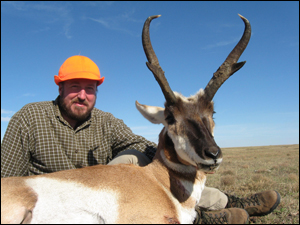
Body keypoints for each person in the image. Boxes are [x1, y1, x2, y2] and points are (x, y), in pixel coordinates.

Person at [1, 55, 280, 224]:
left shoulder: (105, 121)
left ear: (97, 91)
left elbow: (144, 146)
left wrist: (183, 153)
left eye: (89, 88)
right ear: (60, 86)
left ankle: (228, 201)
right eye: (74, 87)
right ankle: (203, 217)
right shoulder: (30, 116)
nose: (82, 95)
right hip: (55, 196)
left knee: (138, 158)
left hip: (108, 193)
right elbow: (6, 177)